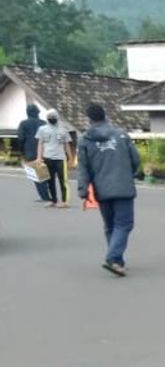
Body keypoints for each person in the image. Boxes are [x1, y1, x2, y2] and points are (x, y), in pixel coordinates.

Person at [76, 104, 141, 277]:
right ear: (105, 116)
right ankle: (113, 257)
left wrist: (83, 190)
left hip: (102, 189)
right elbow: (135, 159)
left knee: (110, 225)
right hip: (123, 187)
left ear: (89, 119)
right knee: (124, 224)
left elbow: (83, 168)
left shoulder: (85, 140)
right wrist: (129, 173)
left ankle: (117, 261)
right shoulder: (121, 135)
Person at [35, 109, 74, 208]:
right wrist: (39, 157)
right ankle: (53, 200)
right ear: (47, 118)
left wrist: (70, 158)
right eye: (50, 117)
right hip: (47, 157)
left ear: (57, 118)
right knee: (49, 180)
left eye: (53, 117)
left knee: (63, 180)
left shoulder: (63, 130)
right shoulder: (42, 129)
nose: (52, 119)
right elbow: (40, 143)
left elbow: (67, 144)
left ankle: (64, 201)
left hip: (61, 158)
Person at [17, 103, 51, 202]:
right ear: (38, 113)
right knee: (46, 175)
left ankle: (44, 197)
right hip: (45, 152)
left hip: (30, 152)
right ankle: (50, 194)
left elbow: (21, 139)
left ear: (27, 113)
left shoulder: (23, 124)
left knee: (37, 176)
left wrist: (21, 152)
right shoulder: (44, 123)